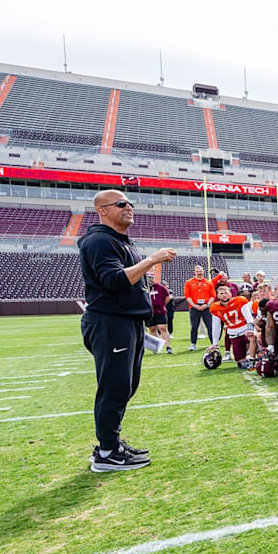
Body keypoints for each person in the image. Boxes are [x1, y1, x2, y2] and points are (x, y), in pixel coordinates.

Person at [77, 189, 175, 472]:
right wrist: (152, 260)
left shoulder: (119, 240)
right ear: (103, 210)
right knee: (114, 387)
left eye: (130, 203)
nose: (128, 206)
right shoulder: (98, 240)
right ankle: (107, 453)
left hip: (126, 321)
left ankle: (113, 443)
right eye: (120, 204)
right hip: (110, 321)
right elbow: (114, 281)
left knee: (126, 385)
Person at [210, 283, 258, 368]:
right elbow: (216, 326)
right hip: (233, 334)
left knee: (253, 337)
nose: (224, 295)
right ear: (218, 296)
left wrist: (250, 329)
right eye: (221, 293)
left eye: (226, 292)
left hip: (245, 330)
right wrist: (215, 344)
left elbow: (248, 317)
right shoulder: (215, 307)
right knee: (240, 363)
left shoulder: (239, 301)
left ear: (230, 294)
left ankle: (253, 357)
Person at [184, 264, 216, 351]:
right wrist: (195, 305)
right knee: (194, 326)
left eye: (201, 271)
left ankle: (214, 343)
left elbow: (213, 296)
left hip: (206, 307)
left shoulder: (208, 283)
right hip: (194, 307)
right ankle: (193, 344)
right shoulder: (189, 282)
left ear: (203, 271)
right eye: (197, 271)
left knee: (210, 326)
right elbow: (187, 296)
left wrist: (207, 305)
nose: (199, 273)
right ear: (194, 272)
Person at [148, 277, 172, 353]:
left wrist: (162, 305)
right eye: (148, 279)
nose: (150, 280)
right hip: (149, 312)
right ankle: (156, 347)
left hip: (160, 311)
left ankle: (168, 347)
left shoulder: (161, 287)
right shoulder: (144, 288)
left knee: (163, 328)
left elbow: (167, 297)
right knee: (152, 329)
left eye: (151, 278)